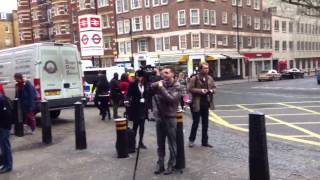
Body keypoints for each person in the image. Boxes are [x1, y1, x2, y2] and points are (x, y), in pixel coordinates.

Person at [151, 66, 181, 175]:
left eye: (167, 73)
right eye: (163, 73)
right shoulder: (161, 83)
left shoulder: (177, 86)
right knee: (160, 143)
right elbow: (150, 87)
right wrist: (155, 83)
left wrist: (161, 88)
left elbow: (171, 99)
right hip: (159, 117)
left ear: (172, 74)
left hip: (170, 118)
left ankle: (171, 165)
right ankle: (160, 165)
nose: (164, 75)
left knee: (172, 144)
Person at [188, 63, 216, 148]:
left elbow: (214, 87)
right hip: (196, 103)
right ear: (200, 69)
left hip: (206, 103)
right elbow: (190, 89)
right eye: (204, 68)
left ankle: (205, 142)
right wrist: (201, 91)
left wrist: (212, 91)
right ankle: (191, 140)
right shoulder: (194, 78)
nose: (206, 70)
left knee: (205, 123)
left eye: (207, 68)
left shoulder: (210, 78)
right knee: (196, 122)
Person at [127, 70, 148, 149]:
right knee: (135, 126)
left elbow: (147, 94)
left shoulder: (145, 85)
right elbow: (128, 94)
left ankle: (140, 142)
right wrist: (127, 101)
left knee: (142, 126)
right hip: (135, 107)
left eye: (140, 76)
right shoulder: (132, 84)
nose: (138, 78)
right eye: (137, 76)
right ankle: (133, 142)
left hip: (143, 107)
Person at [0, 89, 13, 173]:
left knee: (5, 146)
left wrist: (4, 127)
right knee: (3, 146)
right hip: (2, 126)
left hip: (4, 126)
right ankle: (4, 164)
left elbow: (7, 114)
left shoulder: (2, 100)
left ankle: (8, 166)